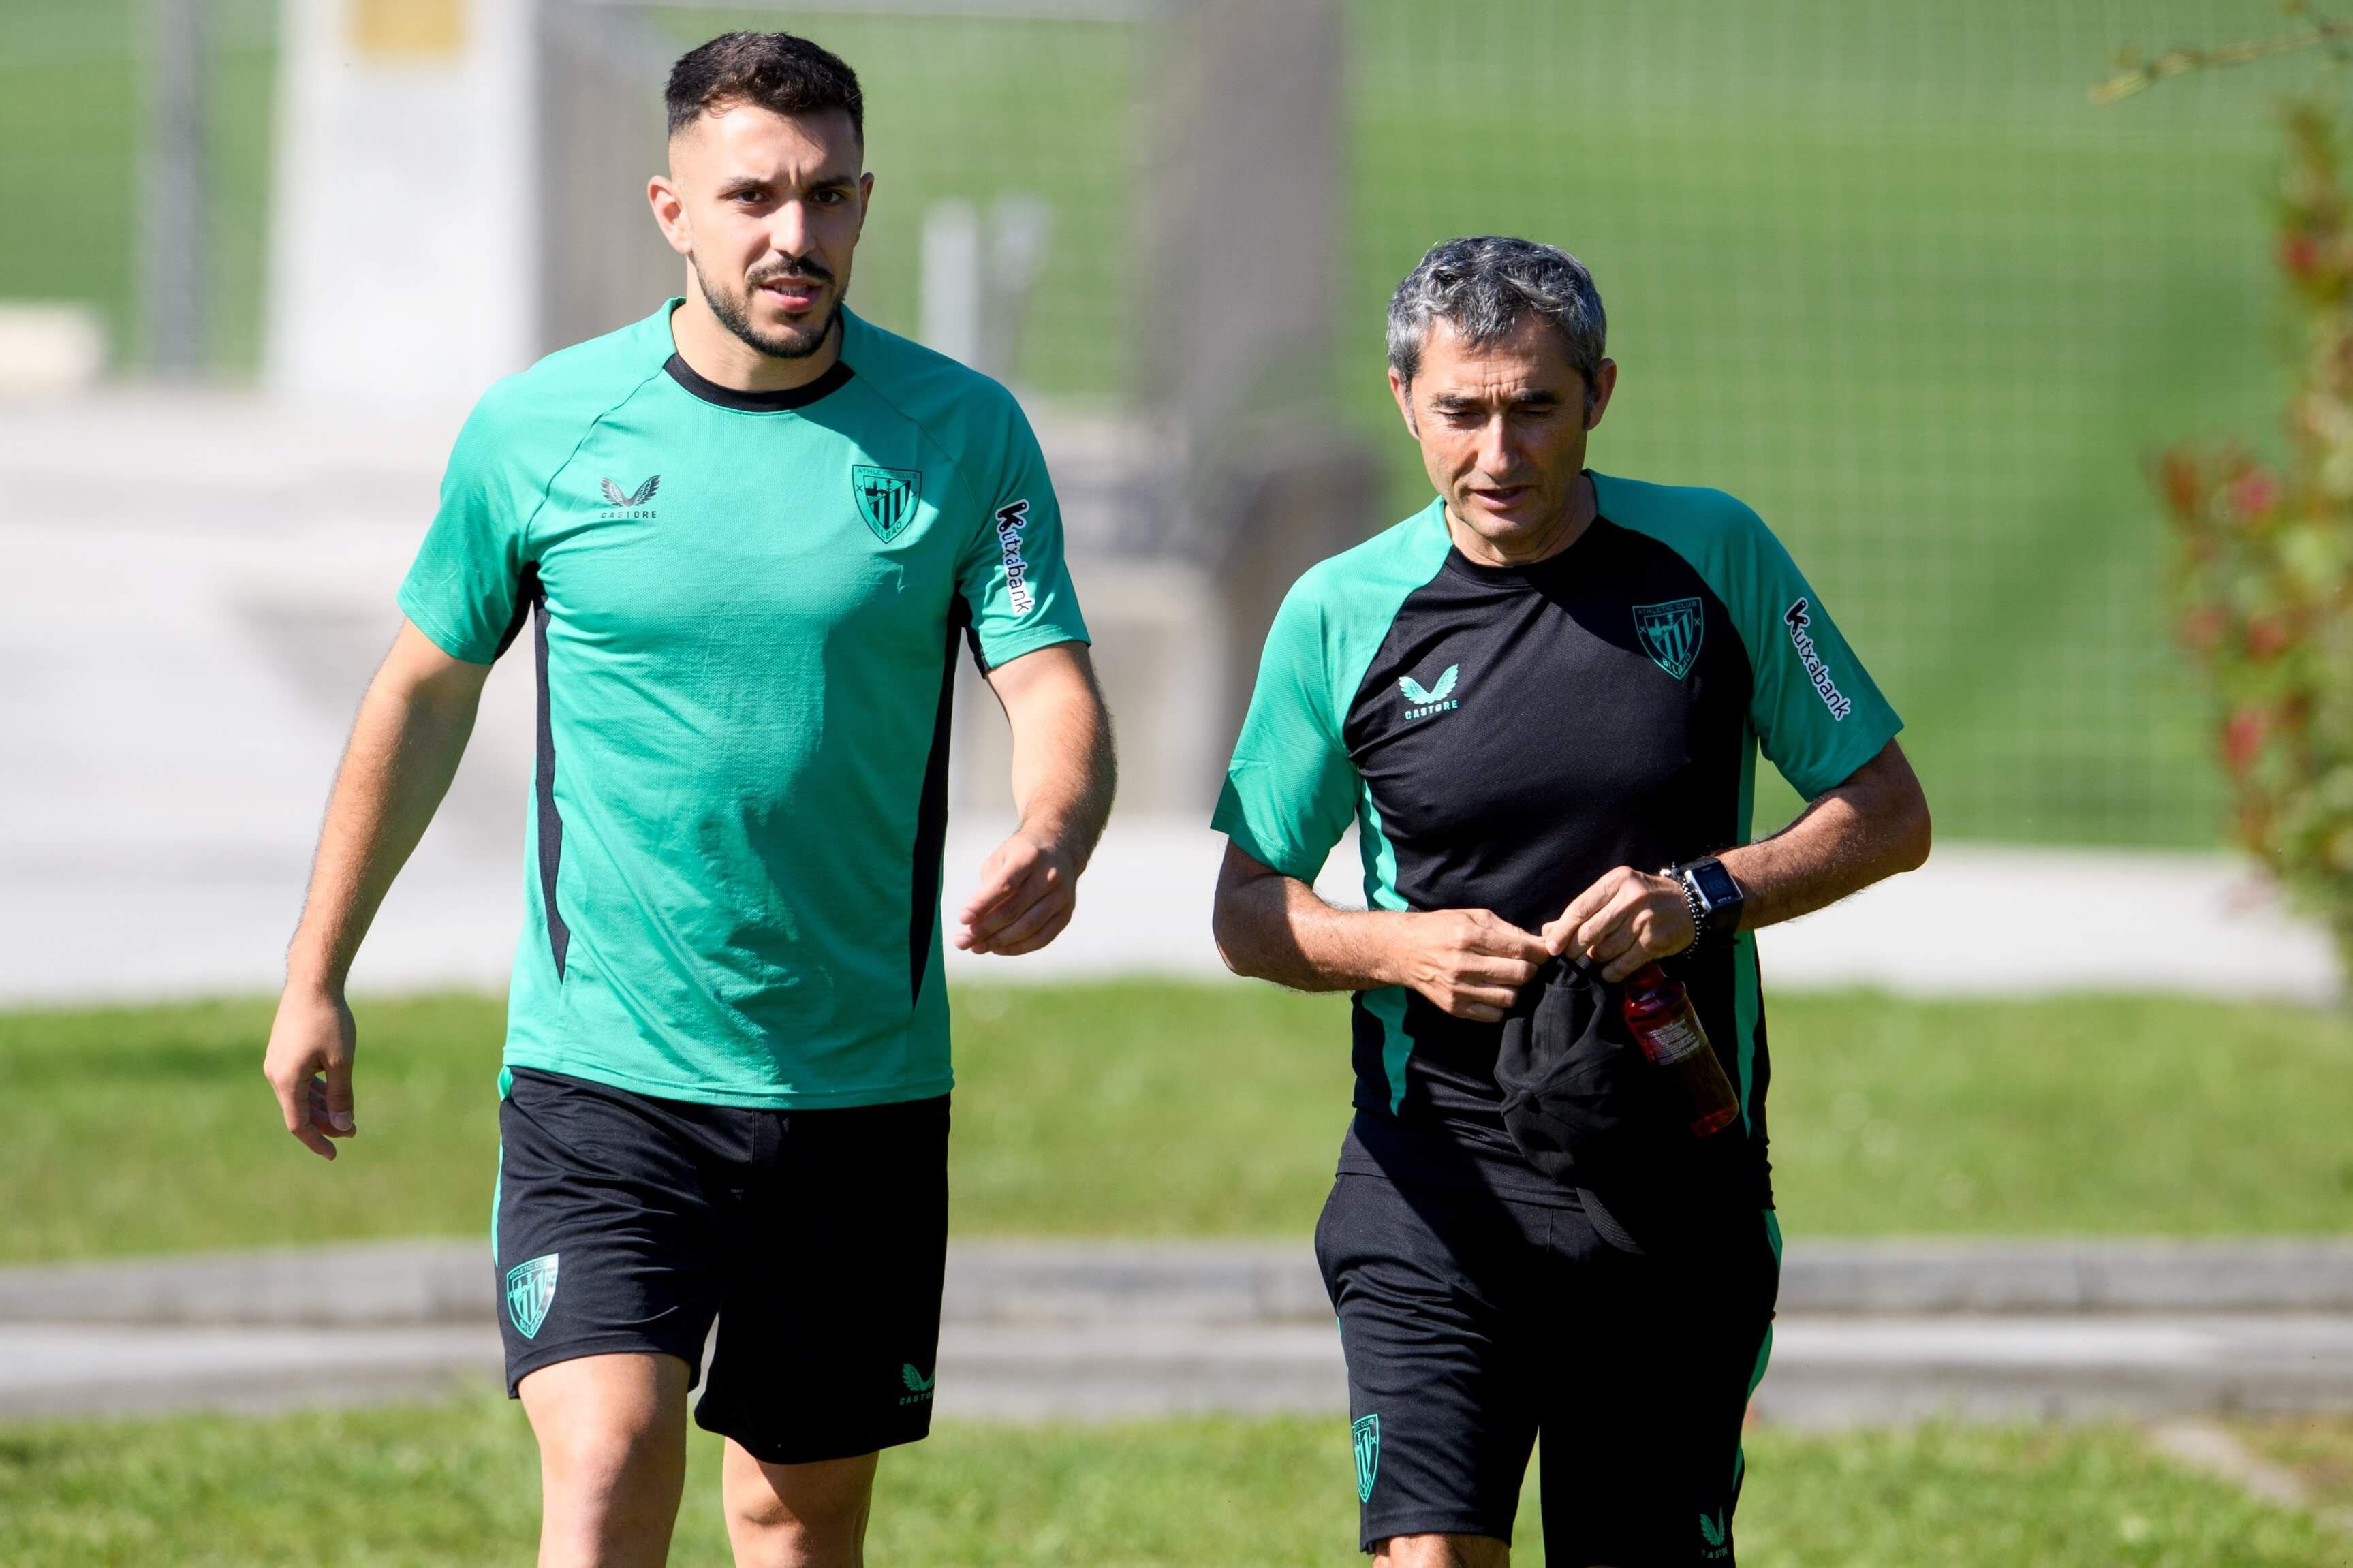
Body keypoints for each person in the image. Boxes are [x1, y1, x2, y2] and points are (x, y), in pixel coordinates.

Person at [262, 31, 1113, 1567]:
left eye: (828, 196)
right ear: (673, 208)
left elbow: (1047, 679)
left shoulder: (960, 429)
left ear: (864, 201)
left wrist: (1053, 829)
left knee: (794, 1519)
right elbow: (420, 692)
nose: (795, 236)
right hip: (608, 1070)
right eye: (754, 198)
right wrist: (316, 972)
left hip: (856, 1078)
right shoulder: (541, 428)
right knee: (604, 1460)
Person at [1210, 235, 1930, 1567]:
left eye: (1533, 406)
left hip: (1672, 1174)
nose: (1497, 451)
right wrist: (1395, 945)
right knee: (1428, 1552)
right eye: (1461, 412)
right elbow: (1247, 906)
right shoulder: (1336, 610)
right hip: (1432, 1170)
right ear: (1401, 399)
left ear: (1597, 394)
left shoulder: (1710, 554)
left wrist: (1701, 892)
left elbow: (1887, 812)